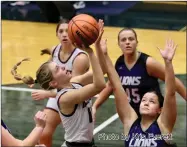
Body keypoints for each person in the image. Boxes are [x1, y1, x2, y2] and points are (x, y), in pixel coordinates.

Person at [12, 18, 90, 147]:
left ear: (73, 34)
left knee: (76, 138)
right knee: (43, 134)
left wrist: (46, 94)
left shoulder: (80, 58)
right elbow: (49, 72)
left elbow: (74, 88)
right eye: (61, 31)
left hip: (77, 98)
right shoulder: (55, 50)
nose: (64, 34)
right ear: (56, 34)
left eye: (67, 31)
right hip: (57, 93)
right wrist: (36, 81)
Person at [92, 28, 186, 119]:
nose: (127, 42)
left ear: (137, 42)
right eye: (123, 40)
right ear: (119, 44)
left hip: (152, 116)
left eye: (131, 39)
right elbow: (110, 85)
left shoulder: (148, 63)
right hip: (132, 117)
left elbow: (174, 81)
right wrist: (95, 106)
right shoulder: (120, 63)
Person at [99, 37, 178, 147]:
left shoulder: (163, 126)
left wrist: (168, 63)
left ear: (160, 110)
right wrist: (105, 55)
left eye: (152, 102)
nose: (146, 103)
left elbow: (170, 93)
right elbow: (117, 86)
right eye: (144, 100)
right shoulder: (130, 123)